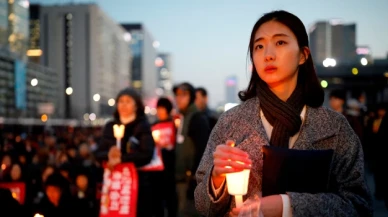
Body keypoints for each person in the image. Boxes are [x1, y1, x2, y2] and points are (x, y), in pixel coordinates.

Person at [194, 10, 373, 217]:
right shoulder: (230, 122)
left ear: (303, 55)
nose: (268, 54)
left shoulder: (335, 127)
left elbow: (359, 206)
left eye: (280, 43)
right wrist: (216, 178)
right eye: (259, 46)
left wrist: (288, 206)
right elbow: (202, 205)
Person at [96, 88, 155, 217]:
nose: (123, 105)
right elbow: (98, 153)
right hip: (114, 183)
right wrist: (109, 154)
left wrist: (122, 158)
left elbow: (146, 154)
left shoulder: (142, 126)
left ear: (136, 105)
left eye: (128, 101)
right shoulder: (110, 126)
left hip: (137, 184)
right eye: (121, 101)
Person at [173, 82, 210, 217]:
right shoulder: (182, 117)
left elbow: (203, 151)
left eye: (184, 94)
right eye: (177, 95)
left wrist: (195, 180)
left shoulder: (196, 118)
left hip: (190, 181)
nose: (179, 98)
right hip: (181, 180)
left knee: (188, 213)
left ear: (192, 97)